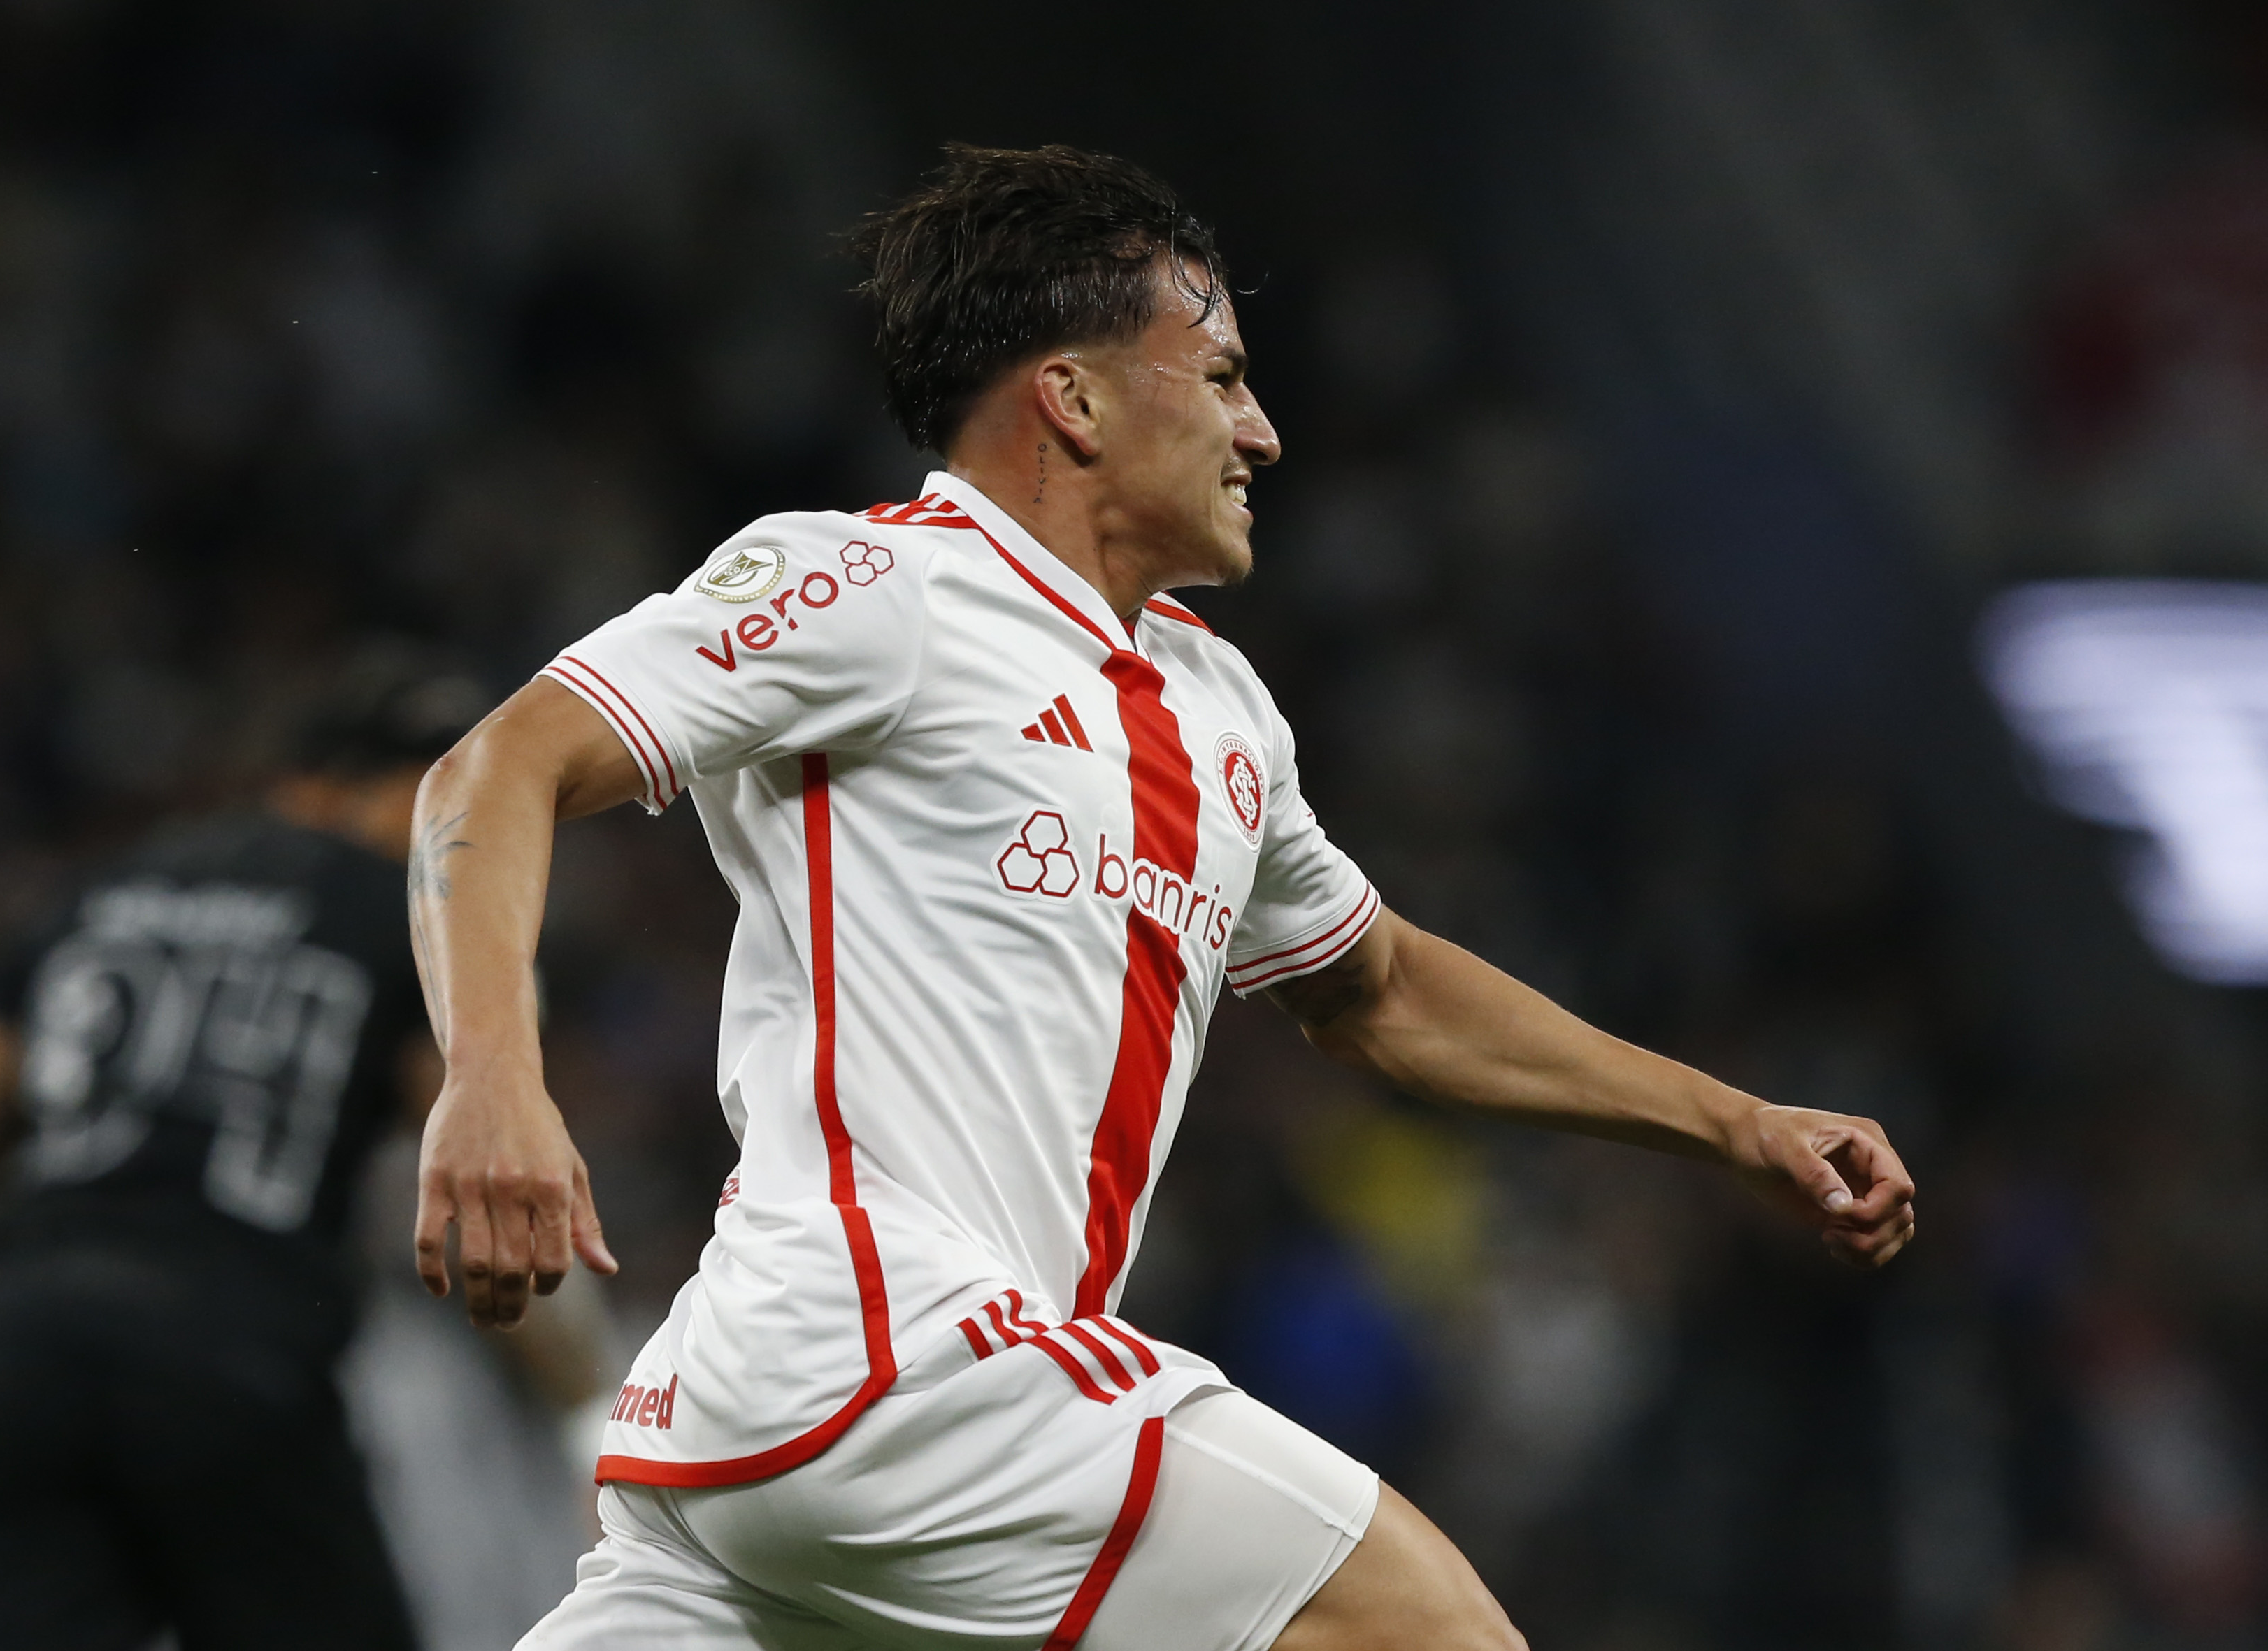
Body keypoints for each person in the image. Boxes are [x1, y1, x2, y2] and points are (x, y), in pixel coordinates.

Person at [409, 144, 1918, 1651]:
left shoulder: (1217, 708)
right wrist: (492, 1077)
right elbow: (495, 769)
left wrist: (1735, 1123)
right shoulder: (880, 590)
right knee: (1430, 1630)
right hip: (888, 1363)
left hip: (799, 1454)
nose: (1260, 430)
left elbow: (1378, 989)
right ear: (1069, 398)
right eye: (1218, 378)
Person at [0, 652, 498, 1651]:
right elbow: (495, 1169)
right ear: (316, 788)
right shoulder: (411, 908)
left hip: (30, 1352)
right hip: (235, 1360)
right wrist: (592, 1404)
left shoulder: (87, 893)